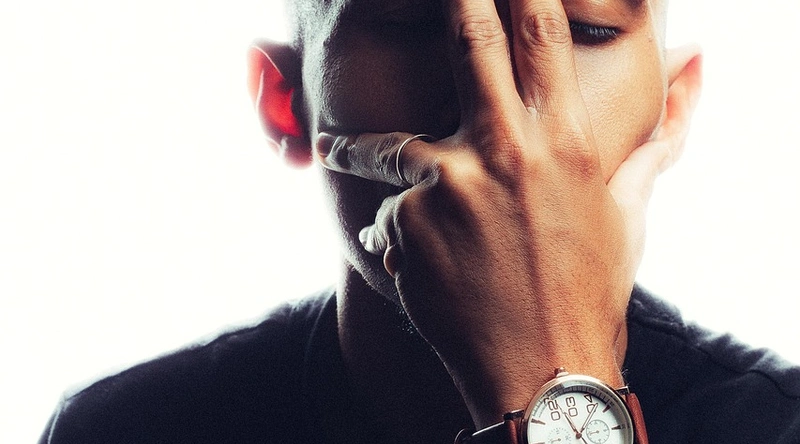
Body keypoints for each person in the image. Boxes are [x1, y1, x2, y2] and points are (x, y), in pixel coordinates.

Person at [38, 0, 800, 443]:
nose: (498, 109)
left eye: (585, 27)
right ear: (285, 101)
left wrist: (550, 377)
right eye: (408, 18)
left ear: (671, 107)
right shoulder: (129, 430)